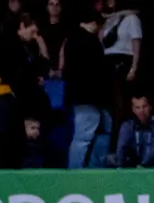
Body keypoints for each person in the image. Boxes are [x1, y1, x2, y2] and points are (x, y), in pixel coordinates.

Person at [62, 8, 111, 168]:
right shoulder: (91, 42)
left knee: (101, 131)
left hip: (77, 97)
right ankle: (77, 173)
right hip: (91, 98)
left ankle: (91, 168)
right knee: (83, 138)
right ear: (93, 24)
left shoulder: (70, 40)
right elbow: (100, 71)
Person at [113, 92, 154, 167]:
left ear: (150, 107)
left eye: (144, 106)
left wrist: (143, 166)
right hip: (134, 168)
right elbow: (121, 148)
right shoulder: (127, 126)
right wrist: (119, 167)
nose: (141, 111)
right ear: (133, 109)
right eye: (137, 107)